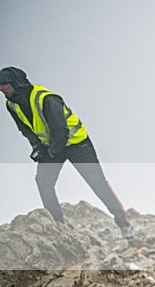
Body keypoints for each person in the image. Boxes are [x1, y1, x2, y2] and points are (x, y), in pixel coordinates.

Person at [0, 67, 133, 239]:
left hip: (77, 144)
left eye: (4, 84)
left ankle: (125, 226)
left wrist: (52, 152)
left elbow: (61, 130)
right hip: (51, 147)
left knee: (97, 183)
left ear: (16, 83)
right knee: (43, 182)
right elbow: (25, 129)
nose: (1, 89)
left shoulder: (46, 98)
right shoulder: (11, 104)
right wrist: (37, 148)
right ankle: (58, 224)